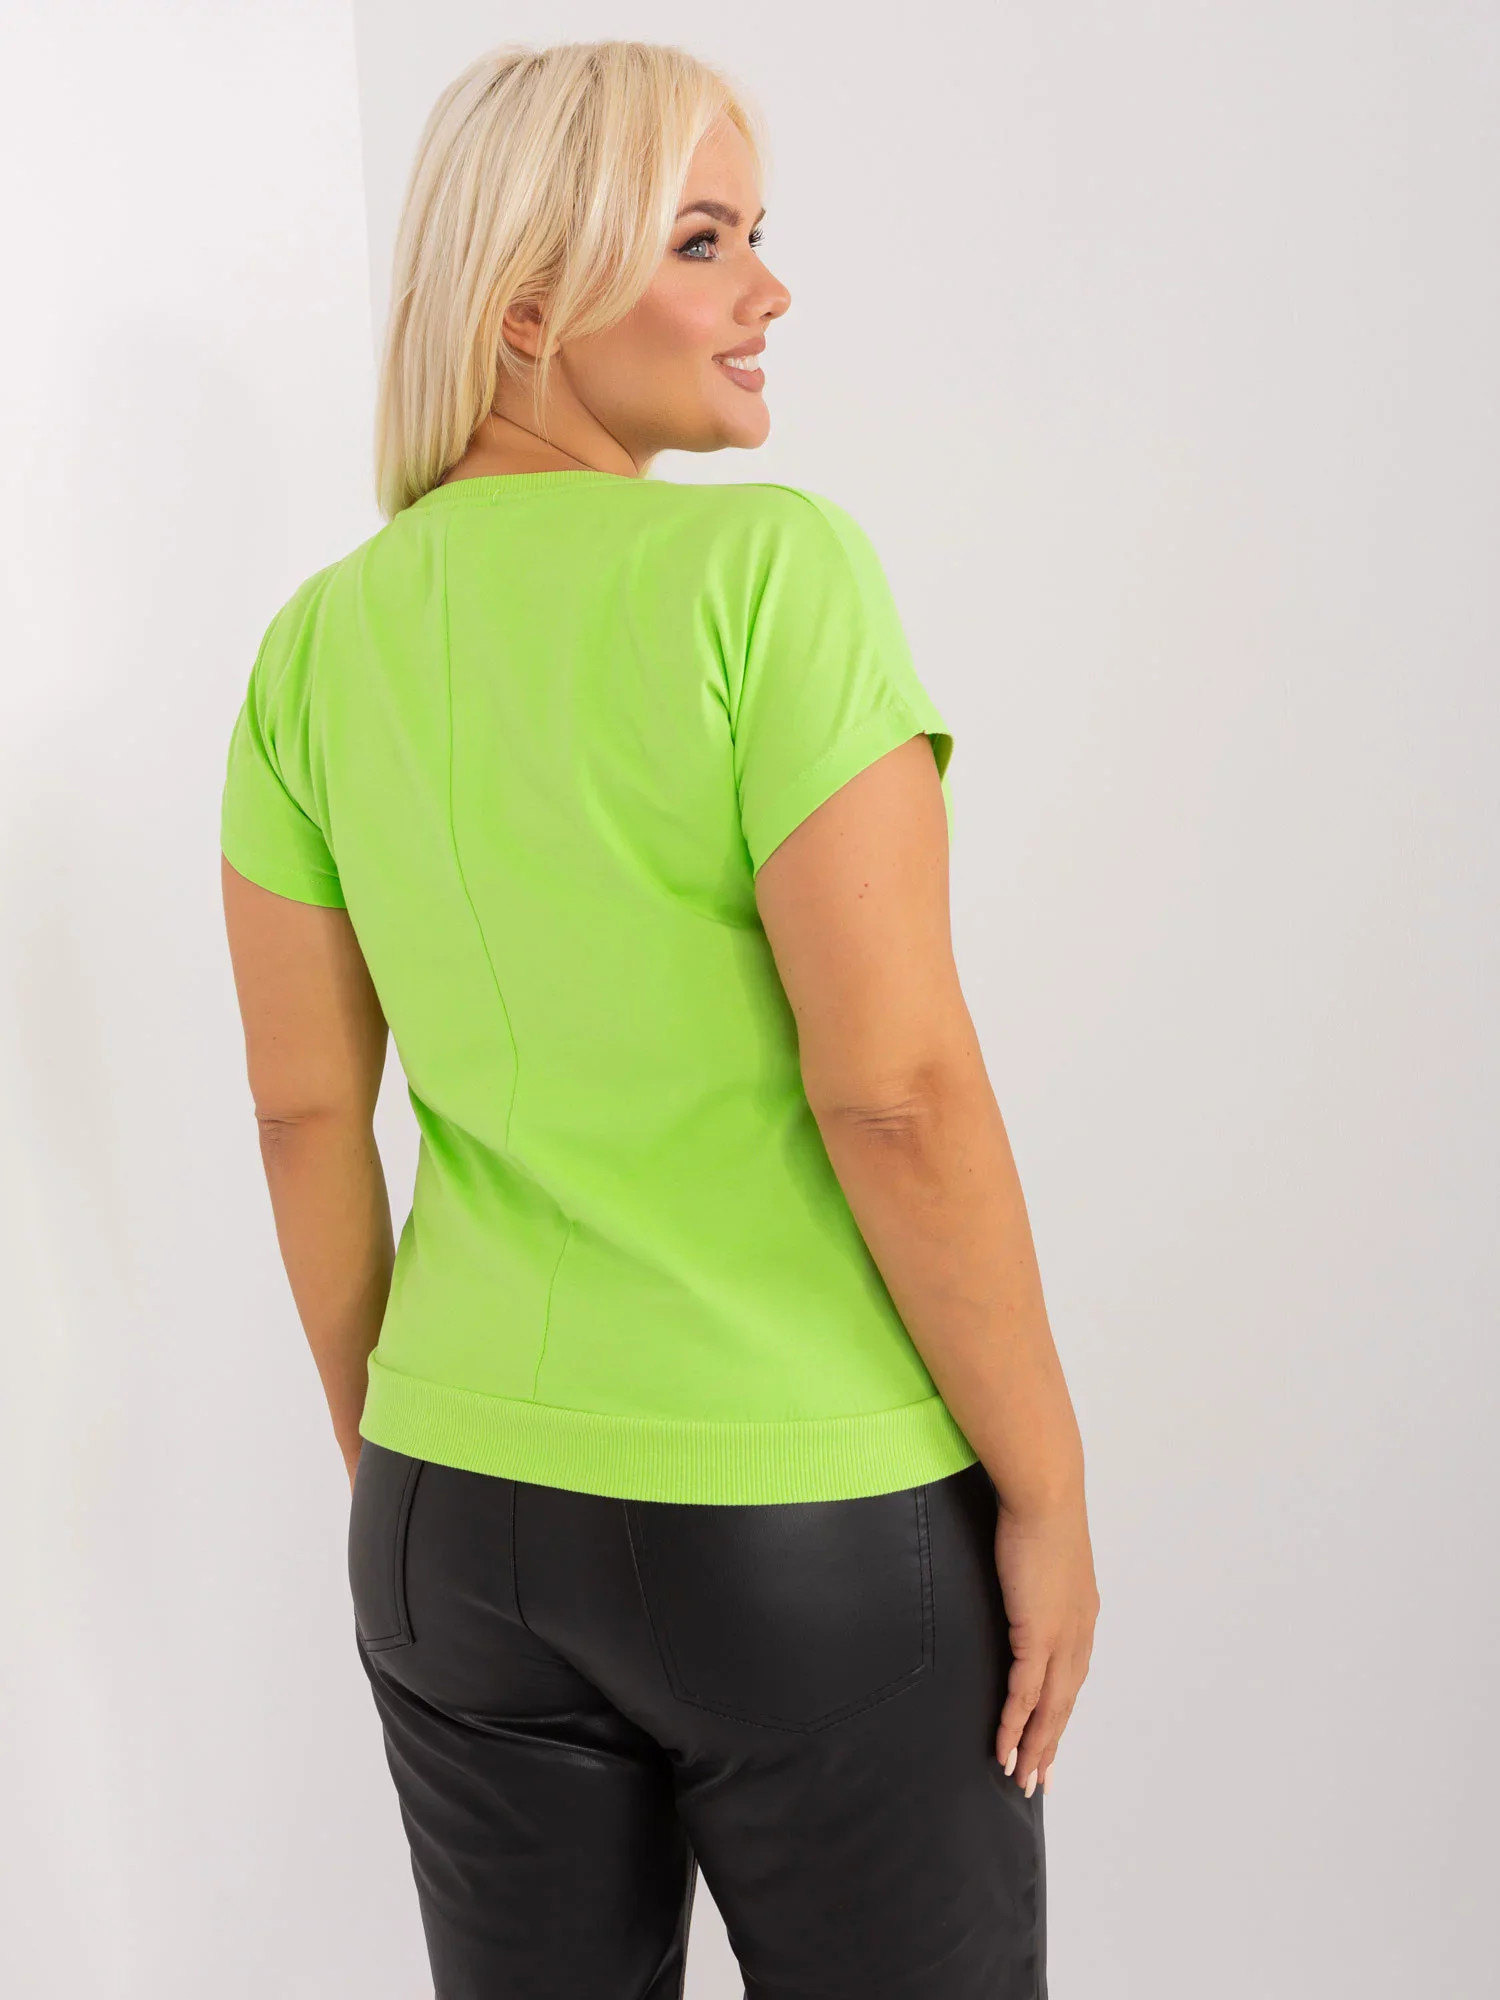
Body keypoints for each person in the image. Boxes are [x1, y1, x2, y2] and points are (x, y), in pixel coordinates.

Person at [219, 36, 1098, 2000]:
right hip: (800, 1513)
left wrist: (405, 1454)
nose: (767, 290)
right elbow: (898, 1089)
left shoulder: (312, 649)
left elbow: (304, 1116)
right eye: (703, 242)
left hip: (450, 1514)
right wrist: (1044, 1488)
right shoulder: (765, 571)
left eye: (754, 235)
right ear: (526, 306)